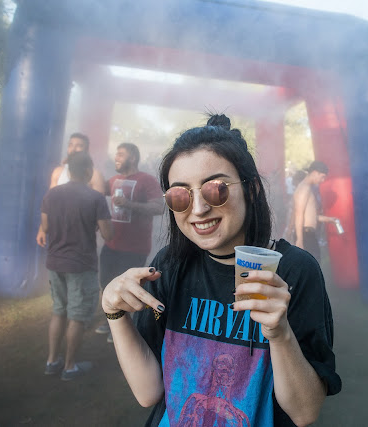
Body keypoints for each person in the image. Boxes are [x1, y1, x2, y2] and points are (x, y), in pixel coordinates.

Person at [101, 114, 341, 426]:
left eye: (216, 189)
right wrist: (114, 313)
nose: (198, 208)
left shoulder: (293, 270)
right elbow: (148, 392)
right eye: (180, 195)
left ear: (251, 188)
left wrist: (280, 333)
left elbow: (305, 412)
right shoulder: (169, 266)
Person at [37, 152, 114, 381]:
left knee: (59, 311)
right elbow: (108, 234)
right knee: (77, 317)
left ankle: (52, 361)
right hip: (80, 264)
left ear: (68, 170)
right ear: (89, 170)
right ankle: (70, 367)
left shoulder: (51, 195)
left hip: (55, 262)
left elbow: (45, 226)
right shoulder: (95, 198)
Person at [94, 143, 163, 342]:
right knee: (106, 284)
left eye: (121, 154)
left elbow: (159, 208)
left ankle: (123, 328)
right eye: (116, 154)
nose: (116, 157)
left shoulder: (146, 180)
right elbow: (95, 190)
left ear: (132, 157)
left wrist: (129, 205)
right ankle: (110, 322)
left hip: (134, 247)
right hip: (111, 244)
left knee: (127, 289)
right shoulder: (113, 180)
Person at [292, 160, 339, 262]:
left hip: (308, 233)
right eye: (322, 177)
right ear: (314, 173)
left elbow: (311, 216)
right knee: (311, 267)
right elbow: (298, 214)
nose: (322, 180)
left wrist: (329, 219)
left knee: (313, 266)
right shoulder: (304, 188)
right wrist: (299, 239)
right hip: (305, 234)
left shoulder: (308, 188)